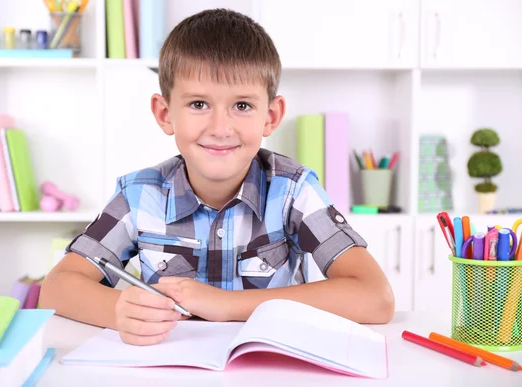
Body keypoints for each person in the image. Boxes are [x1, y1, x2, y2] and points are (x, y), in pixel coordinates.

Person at [39, 8, 395, 346]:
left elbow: (375, 297)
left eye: (242, 106)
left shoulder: (292, 191)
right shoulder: (139, 194)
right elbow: (55, 288)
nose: (220, 128)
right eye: (198, 104)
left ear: (270, 116)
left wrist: (227, 305)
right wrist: (117, 310)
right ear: (165, 113)